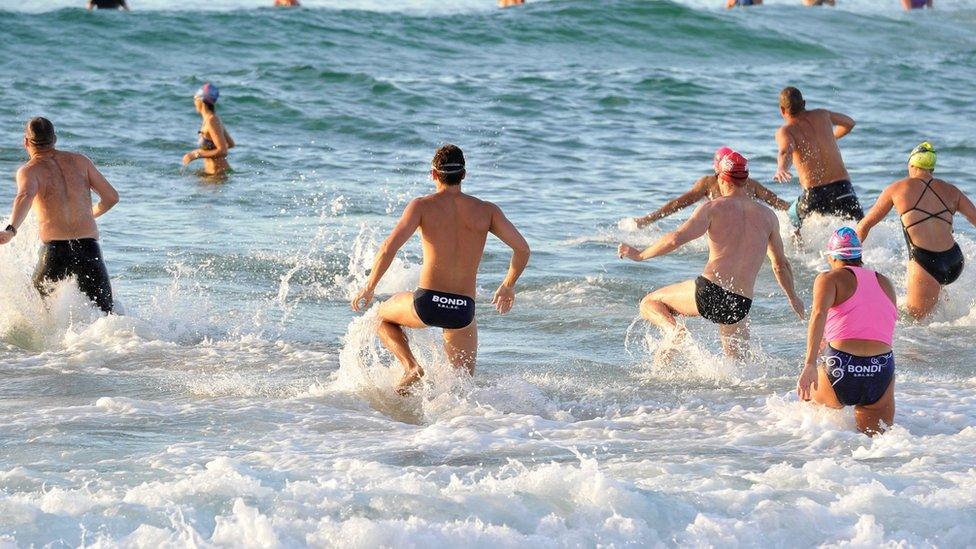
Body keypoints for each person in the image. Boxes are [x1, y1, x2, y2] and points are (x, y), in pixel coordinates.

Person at [350, 145, 530, 395]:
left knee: (380, 316)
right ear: (464, 175)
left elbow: (388, 248)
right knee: (462, 389)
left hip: (427, 303)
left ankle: (411, 367)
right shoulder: (487, 211)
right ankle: (461, 430)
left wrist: (369, 287)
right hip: (463, 310)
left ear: (433, 174)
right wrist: (508, 285)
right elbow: (522, 249)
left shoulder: (421, 206)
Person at [618, 152, 804, 358]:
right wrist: (792, 297)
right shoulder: (769, 217)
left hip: (710, 293)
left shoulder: (712, 208)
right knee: (737, 365)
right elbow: (780, 265)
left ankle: (674, 332)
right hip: (741, 302)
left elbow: (675, 239)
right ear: (746, 179)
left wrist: (640, 255)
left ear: (722, 178)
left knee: (650, 303)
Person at [0, 118, 119, 313]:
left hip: (56, 253)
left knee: (38, 313)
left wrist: (11, 230)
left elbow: (24, 196)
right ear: (54, 138)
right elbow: (111, 197)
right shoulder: (81, 161)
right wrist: (90, 214)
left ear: (26, 142)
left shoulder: (29, 170)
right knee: (106, 314)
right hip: (89, 249)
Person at [857, 142, 976, 319]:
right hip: (954, 260)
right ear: (931, 168)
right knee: (940, 314)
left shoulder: (897, 189)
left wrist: (852, 260)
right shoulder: (952, 190)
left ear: (912, 165)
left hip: (925, 262)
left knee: (915, 323)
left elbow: (864, 225)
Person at [798, 227, 897, 436]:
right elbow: (881, 326)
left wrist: (809, 364)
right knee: (878, 447)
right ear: (859, 256)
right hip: (881, 369)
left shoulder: (828, 278)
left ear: (833, 257)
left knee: (812, 423)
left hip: (841, 365)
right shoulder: (885, 282)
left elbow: (818, 315)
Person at [633, 146, 788, 228]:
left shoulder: (708, 183)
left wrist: (648, 220)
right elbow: (779, 204)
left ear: (716, 167)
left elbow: (678, 204)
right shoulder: (749, 184)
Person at [774, 87, 861, 229]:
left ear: (782, 110)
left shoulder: (786, 131)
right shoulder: (823, 115)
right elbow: (850, 123)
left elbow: (785, 151)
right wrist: (831, 138)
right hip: (843, 189)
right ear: (804, 103)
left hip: (815, 196)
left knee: (792, 222)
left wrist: (781, 168)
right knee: (861, 229)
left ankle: (801, 252)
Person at [182, 83, 235, 176]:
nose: (194, 102)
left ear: (201, 100)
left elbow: (223, 151)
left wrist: (196, 154)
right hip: (213, 174)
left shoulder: (212, 121)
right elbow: (230, 144)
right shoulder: (212, 119)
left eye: (195, 98)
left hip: (217, 176)